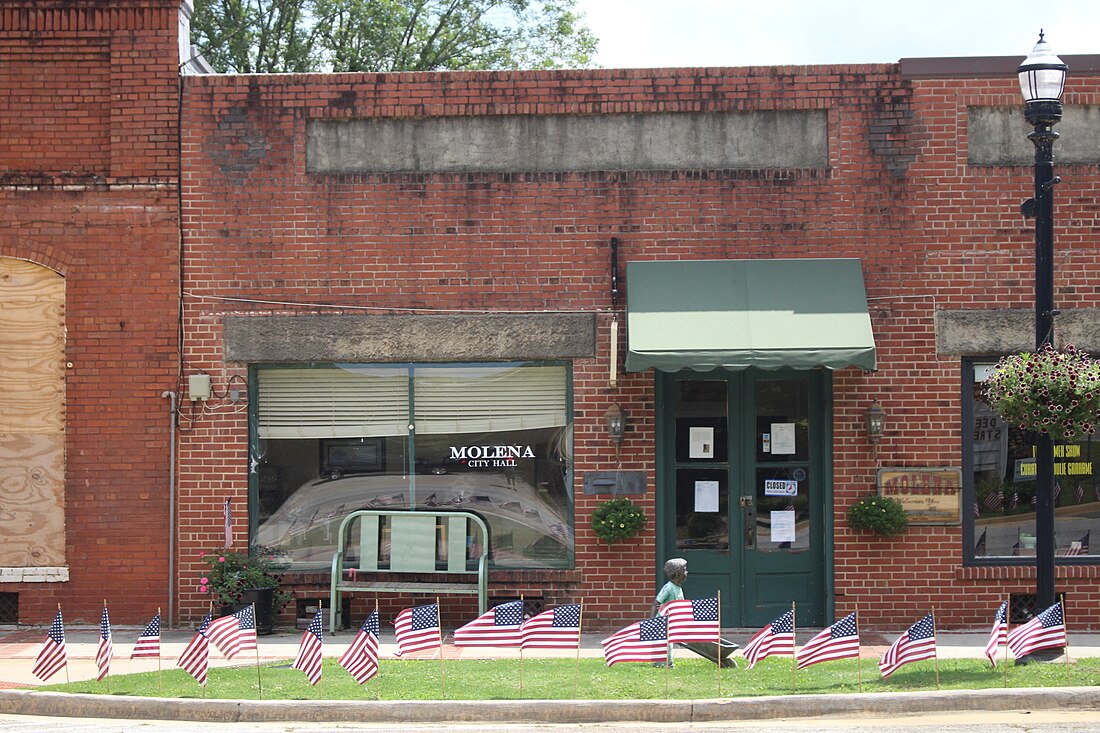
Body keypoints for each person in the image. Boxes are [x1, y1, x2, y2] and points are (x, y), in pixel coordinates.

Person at [651, 557, 688, 667]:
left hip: (672, 621)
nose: (687, 572)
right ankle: (662, 663)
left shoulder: (678, 588)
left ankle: (667, 662)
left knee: (669, 643)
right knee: (664, 644)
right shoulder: (668, 588)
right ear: (677, 574)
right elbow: (656, 603)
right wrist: (652, 621)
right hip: (663, 621)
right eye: (684, 570)